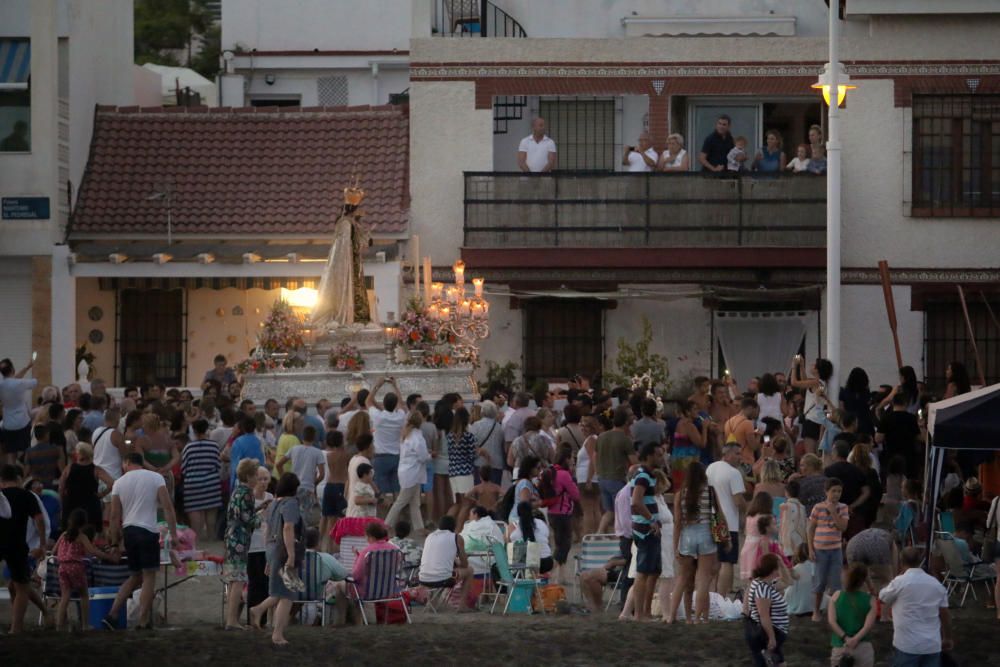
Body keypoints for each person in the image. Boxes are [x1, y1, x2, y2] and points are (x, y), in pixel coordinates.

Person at [102, 453, 179, 630]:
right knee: (149, 576)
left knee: (135, 575)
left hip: (129, 531)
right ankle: (143, 621)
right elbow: (167, 507)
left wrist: (114, 543)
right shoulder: (156, 477)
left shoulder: (119, 483)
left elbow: (114, 517)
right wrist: (173, 534)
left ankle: (113, 614)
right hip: (148, 530)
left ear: (127, 463)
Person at [249, 473, 304, 645]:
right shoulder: (290, 504)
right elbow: (288, 528)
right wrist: (292, 554)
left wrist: (268, 559)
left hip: (272, 549)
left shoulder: (273, 504)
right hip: (283, 550)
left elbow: (267, 530)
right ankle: (277, 634)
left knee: (282, 590)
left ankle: (258, 609)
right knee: (287, 593)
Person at [880, 547, 953, 666]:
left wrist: (895, 578)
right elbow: (945, 614)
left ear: (901, 562)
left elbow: (883, 596)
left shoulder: (899, 582)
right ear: (920, 561)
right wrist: (947, 637)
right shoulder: (936, 584)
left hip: (907, 645)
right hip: (932, 644)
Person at [54, 507, 118, 631]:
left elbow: (54, 551)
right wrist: (109, 557)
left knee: (65, 596)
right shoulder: (81, 536)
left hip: (62, 568)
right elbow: (93, 551)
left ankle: (59, 626)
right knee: (84, 595)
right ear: (83, 523)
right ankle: (85, 625)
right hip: (76, 568)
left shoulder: (63, 535)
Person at [668, 461, 717, 624]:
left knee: (682, 578)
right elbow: (719, 516)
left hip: (687, 535)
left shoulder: (680, 494)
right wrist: (726, 539)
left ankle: (671, 615)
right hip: (705, 534)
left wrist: (675, 547)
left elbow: (677, 523)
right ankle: (698, 618)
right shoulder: (709, 491)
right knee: (703, 579)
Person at [0, 464, 47, 633]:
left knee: (16, 586)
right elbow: (39, 519)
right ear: (18, 479)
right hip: (17, 544)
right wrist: (42, 544)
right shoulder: (26, 495)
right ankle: (15, 629)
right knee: (22, 587)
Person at [221, 459, 267, 629]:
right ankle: (232, 621)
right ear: (249, 476)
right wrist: (263, 515)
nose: (258, 478)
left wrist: (259, 508)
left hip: (231, 537)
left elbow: (240, 514)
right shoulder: (247, 492)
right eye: (256, 475)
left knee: (234, 580)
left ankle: (230, 619)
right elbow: (249, 520)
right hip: (240, 540)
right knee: (239, 580)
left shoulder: (237, 491)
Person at [706, 443, 747, 597]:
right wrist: (748, 509)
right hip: (728, 522)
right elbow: (738, 500)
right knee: (727, 562)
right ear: (728, 454)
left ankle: (711, 595)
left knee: (715, 560)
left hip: (712, 519)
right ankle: (723, 596)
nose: (739, 457)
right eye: (737, 454)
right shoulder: (733, 473)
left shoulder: (711, 468)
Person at [628, 442, 662, 620]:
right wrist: (651, 520)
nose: (661, 458)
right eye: (658, 455)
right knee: (642, 572)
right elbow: (636, 501)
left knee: (652, 572)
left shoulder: (647, 475)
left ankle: (645, 612)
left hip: (647, 528)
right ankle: (639, 613)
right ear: (649, 456)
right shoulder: (642, 476)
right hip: (645, 529)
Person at [808, 477, 849, 622]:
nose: (836, 494)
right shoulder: (818, 507)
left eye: (839, 491)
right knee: (819, 582)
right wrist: (810, 549)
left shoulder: (843, 508)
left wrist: (833, 512)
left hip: (835, 550)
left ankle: (835, 613)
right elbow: (811, 529)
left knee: (836, 583)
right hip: (820, 550)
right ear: (826, 492)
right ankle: (816, 611)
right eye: (833, 491)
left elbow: (843, 527)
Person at [419, 515, 476, 611]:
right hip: (444, 579)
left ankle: (432, 603)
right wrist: (459, 563)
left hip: (423, 578)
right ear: (454, 526)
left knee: (438, 570)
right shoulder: (456, 537)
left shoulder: (430, 536)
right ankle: (462, 606)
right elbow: (465, 564)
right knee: (469, 570)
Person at [386, 411, 431, 532]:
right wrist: (430, 455)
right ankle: (386, 524)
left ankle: (419, 527)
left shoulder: (406, 435)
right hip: (413, 473)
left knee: (415, 502)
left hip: (407, 472)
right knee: (401, 501)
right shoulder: (418, 437)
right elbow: (422, 456)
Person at [596, 407, 637, 533]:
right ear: (626, 422)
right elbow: (635, 462)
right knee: (621, 513)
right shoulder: (625, 440)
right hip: (617, 479)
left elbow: (595, 455)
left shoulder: (601, 437)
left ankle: (599, 535)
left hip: (602, 478)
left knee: (610, 511)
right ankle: (619, 538)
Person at [745, 553, 791, 667]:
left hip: (770, 631)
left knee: (780, 664)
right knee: (772, 663)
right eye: (778, 567)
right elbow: (764, 615)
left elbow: (788, 582)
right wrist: (772, 638)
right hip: (766, 633)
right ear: (773, 570)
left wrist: (781, 563)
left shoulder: (765, 583)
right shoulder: (762, 589)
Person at [181, 419, 223, 541]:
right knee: (211, 515)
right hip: (211, 484)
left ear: (193, 431)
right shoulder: (214, 446)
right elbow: (217, 465)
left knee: (195, 516)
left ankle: (197, 541)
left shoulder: (188, 447)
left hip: (192, 484)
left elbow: (184, 468)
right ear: (206, 430)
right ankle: (211, 538)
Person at [545, 444, 580, 583]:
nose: (573, 460)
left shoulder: (551, 471)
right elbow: (576, 495)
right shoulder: (564, 474)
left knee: (559, 543)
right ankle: (551, 573)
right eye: (571, 457)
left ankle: (561, 576)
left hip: (552, 511)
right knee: (564, 545)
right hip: (563, 512)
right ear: (566, 458)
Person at [366, 378, 406, 499]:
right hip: (396, 456)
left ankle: (384, 516)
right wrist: (395, 386)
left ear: (383, 403)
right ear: (395, 405)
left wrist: (378, 385)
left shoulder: (378, 417)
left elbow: (367, 401)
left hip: (381, 457)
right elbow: (401, 404)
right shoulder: (400, 416)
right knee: (396, 489)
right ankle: (397, 514)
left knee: (381, 489)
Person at [59, 442, 113, 530]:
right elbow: (112, 483)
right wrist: (101, 495)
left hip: (71, 504)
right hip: (90, 505)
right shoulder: (96, 469)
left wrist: (62, 502)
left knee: (70, 532)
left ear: (78, 453)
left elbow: (61, 487)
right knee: (90, 532)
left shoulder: (69, 468)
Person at [825, 439, 871, 539]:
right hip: (853, 513)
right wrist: (852, 506)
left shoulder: (828, 471)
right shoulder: (857, 470)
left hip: (834, 514)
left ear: (835, 452)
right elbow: (866, 492)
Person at [278, 426, 325, 522]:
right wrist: (314, 482)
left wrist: (285, 478)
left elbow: (278, 464)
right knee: (305, 518)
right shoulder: (317, 452)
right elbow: (322, 474)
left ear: (301, 436)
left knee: (292, 515)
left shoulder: (294, 449)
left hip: (293, 487)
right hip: (308, 488)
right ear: (314, 437)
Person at [791, 355, 834, 454]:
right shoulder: (821, 383)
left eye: (814, 365)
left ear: (818, 370)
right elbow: (805, 382)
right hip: (818, 420)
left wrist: (794, 366)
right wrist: (801, 366)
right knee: (816, 452)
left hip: (811, 420)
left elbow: (794, 383)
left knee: (810, 453)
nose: (811, 365)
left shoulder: (815, 382)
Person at [0, 357, 37, 465]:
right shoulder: (20, 383)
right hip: (22, 422)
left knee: (10, 453)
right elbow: (35, 382)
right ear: (12, 369)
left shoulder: (1, 385)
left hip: (8, 423)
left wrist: (26, 368)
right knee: (24, 451)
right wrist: (29, 367)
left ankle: (11, 476)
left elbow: (11, 381)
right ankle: (24, 476)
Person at [247, 465, 273, 616]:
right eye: (260, 479)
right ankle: (251, 618)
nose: (263, 482)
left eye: (266, 479)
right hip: (251, 546)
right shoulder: (249, 497)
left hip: (267, 546)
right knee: (254, 584)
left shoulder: (270, 497)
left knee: (265, 584)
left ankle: (262, 619)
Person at [320, 430, 349, 551]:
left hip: (329, 486)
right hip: (341, 486)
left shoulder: (327, 455)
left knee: (329, 517)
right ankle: (338, 546)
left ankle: (326, 546)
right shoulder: (345, 455)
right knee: (341, 518)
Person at [447, 407, 477, 518]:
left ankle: (445, 527)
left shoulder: (450, 436)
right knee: (467, 504)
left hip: (453, 471)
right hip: (465, 472)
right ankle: (458, 530)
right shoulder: (468, 436)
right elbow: (472, 456)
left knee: (457, 503)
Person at [509, 501, 554, 576]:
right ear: (531, 511)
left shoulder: (514, 526)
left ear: (518, 513)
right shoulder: (541, 523)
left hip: (527, 565)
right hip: (547, 562)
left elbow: (510, 544)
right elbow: (547, 539)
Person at [469, 399, 504, 483]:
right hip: (496, 463)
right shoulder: (499, 427)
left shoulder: (475, 426)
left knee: (480, 490)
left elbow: (471, 444)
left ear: (482, 412)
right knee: (494, 490)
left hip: (480, 462)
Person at [228, 416, 265, 490]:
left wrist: (231, 486)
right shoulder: (259, 441)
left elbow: (235, 466)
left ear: (243, 428)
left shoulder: (238, 442)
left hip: (243, 482)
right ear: (254, 427)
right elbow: (262, 461)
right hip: (257, 479)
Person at [25, 423, 65, 488]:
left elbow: (26, 471)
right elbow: (61, 468)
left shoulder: (29, 452)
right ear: (47, 435)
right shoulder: (55, 449)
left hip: (36, 484)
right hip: (51, 483)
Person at [93, 407, 126, 482]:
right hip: (113, 476)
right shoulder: (116, 435)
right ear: (117, 421)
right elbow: (124, 456)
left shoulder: (96, 432)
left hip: (98, 474)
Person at [779, 479, 807, 557]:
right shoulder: (802, 507)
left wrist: (780, 541)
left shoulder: (784, 506)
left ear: (786, 493)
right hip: (800, 540)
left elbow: (781, 525)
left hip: (787, 542)